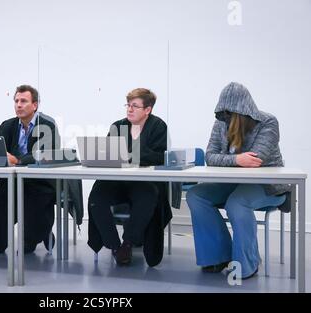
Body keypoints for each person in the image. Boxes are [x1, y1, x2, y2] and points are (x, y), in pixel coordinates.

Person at [186, 82, 290, 279]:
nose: (227, 117)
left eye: (232, 112)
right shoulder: (221, 123)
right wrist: (236, 159)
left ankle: (246, 264)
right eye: (224, 112)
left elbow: (257, 159)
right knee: (196, 195)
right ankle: (217, 256)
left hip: (268, 186)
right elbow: (210, 156)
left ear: (245, 109)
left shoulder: (268, 122)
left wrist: (232, 160)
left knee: (237, 202)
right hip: (233, 183)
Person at [87, 88, 172, 266]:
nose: (129, 109)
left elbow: (157, 156)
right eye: (128, 105)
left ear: (147, 109)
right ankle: (114, 245)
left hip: (144, 182)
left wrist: (127, 155)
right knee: (97, 196)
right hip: (118, 181)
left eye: (135, 106)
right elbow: (109, 153)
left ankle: (128, 242)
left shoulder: (158, 126)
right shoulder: (118, 126)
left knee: (149, 196)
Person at [0, 85, 60, 255]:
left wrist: (17, 160)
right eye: (16, 101)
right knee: (0, 204)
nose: (19, 104)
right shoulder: (7, 125)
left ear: (35, 105)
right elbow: (0, 152)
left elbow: (44, 154)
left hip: (39, 182)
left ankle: (36, 236)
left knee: (31, 202)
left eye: (24, 101)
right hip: (12, 180)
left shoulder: (47, 126)